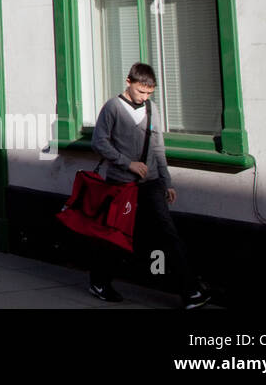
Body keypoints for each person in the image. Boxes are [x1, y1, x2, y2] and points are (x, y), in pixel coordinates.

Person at [88, 61, 210, 309]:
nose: (144, 97)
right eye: (141, 92)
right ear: (128, 82)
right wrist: (127, 163)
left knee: (168, 232)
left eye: (149, 93)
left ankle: (190, 292)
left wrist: (166, 182)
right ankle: (99, 281)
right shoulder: (112, 107)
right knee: (116, 235)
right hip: (121, 184)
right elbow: (98, 142)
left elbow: (158, 148)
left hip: (151, 183)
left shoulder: (152, 109)